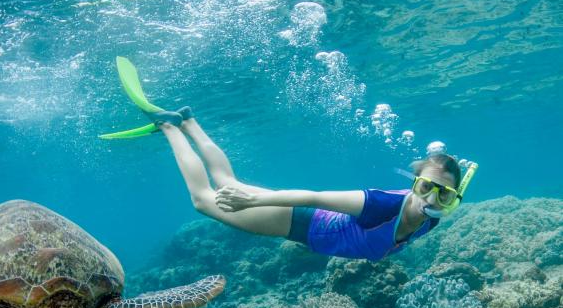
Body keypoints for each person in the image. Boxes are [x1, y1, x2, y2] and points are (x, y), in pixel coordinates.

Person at [155, 109, 470, 262]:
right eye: (426, 186)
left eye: (444, 193)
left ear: (453, 198)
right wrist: (250, 202)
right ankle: (168, 125)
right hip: (299, 221)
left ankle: (188, 121)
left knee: (227, 182)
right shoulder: (381, 204)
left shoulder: (431, 221)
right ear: (415, 184)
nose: (431, 198)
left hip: (306, 226)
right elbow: (313, 196)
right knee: (203, 199)